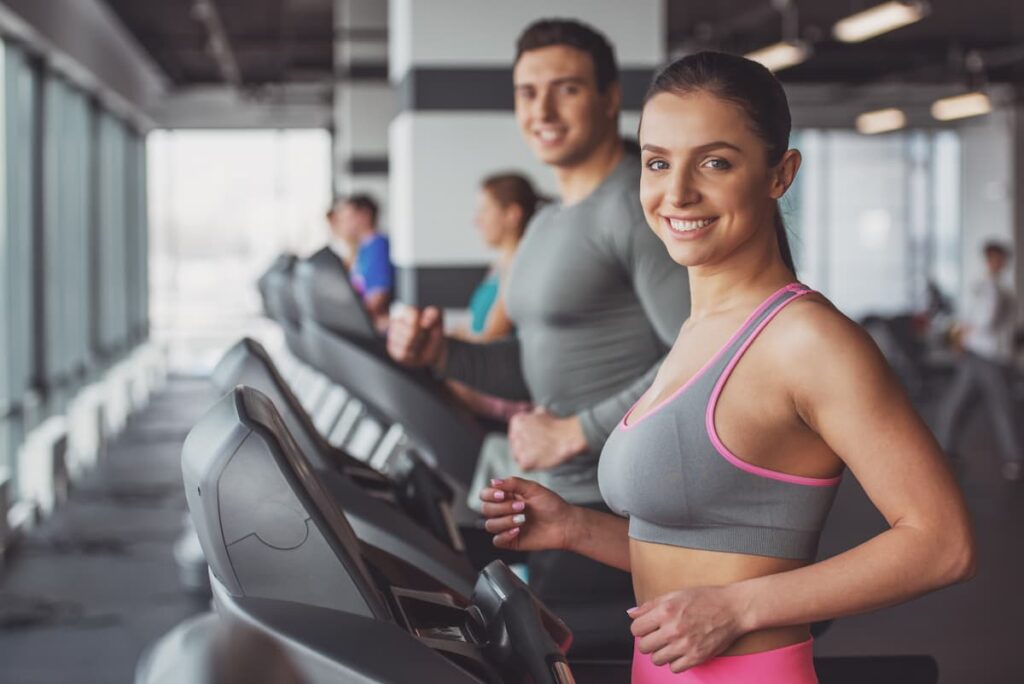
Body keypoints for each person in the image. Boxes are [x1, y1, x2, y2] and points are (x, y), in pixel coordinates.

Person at [479, 52, 975, 683]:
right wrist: (573, 527)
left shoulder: (808, 340)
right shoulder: (699, 331)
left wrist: (739, 608)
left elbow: (943, 543)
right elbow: (708, 555)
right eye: (658, 162)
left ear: (779, 173)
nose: (678, 192)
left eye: (715, 162)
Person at [388, 18, 690, 638]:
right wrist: (438, 353)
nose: (543, 109)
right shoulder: (548, 223)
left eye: (567, 89)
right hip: (562, 498)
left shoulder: (638, 207)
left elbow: (707, 353)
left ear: (609, 97)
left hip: (621, 507)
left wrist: (579, 430)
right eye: (528, 92)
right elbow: (529, 362)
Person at [935, 241, 1021, 480]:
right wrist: (961, 336)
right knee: (955, 405)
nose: (995, 262)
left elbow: (985, 321)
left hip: (989, 359)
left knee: (1001, 409)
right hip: (975, 357)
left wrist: (963, 332)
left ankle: (1015, 459)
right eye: (992, 258)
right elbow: (972, 318)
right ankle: (945, 451)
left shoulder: (999, 291)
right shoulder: (984, 287)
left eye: (999, 259)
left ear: (1003, 262)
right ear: (987, 259)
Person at [457, 172, 543, 341]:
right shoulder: (499, 265)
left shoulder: (519, 267)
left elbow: (490, 337)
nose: (477, 221)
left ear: (512, 215)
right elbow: (471, 325)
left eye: (484, 210)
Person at [331, 193, 393, 330]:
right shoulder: (361, 249)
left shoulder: (378, 246)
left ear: (364, 215)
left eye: (347, 217)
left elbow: (377, 298)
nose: (342, 224)